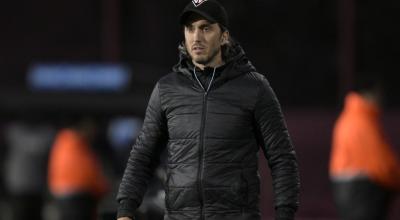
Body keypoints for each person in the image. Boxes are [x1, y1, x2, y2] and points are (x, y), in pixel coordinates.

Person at [117, 1, 300, 220]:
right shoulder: (166, 89)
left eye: (205, 28)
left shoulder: (255, 88)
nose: (196, 37)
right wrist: (125, 211)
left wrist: (285, 213)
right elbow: (143, 156)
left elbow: (282, 158)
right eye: (190, 28)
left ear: (224, 36)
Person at [330, 77, 400, 220]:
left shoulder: (350, 117)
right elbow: (383, 164)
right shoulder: (361, 121)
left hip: (350, 194)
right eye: (379, 94)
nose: (382, 99)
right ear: (369, 94)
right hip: (362, 195)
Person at [48, 117, 109, 220]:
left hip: (60, 193)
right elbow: (87, 172)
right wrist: (103, 188)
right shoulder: (78, 145)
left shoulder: (62, 140)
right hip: (79, 196)